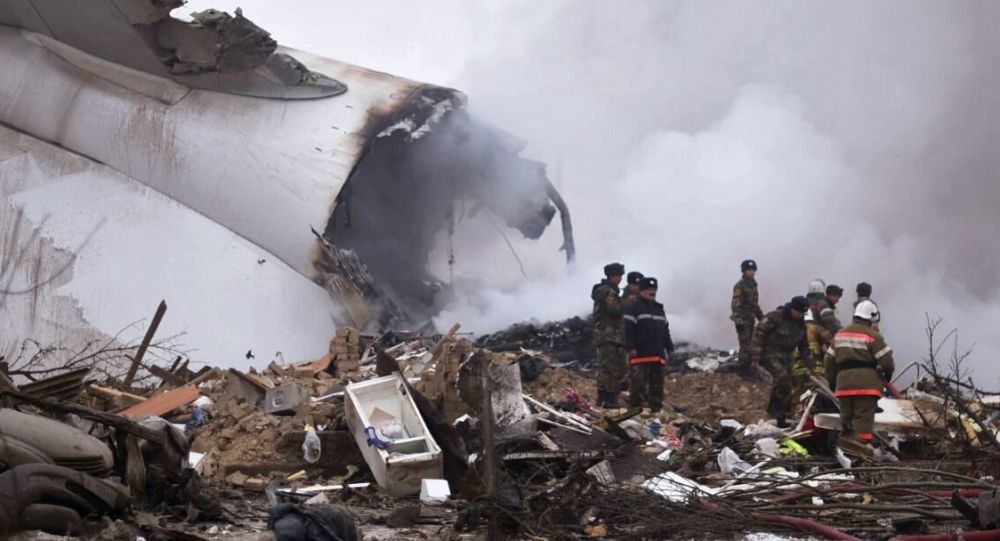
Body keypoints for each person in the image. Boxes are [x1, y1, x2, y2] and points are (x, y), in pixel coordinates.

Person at [824, 300, 894, 455]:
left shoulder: (840, 335)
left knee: (846, 419)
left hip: (844, 385)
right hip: (867, 386)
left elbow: (828, 361)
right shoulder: (873, 336)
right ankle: (860, 452)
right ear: (871, 318)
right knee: (863, 420)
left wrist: (833, 382)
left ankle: (844, 450)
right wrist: (887, 375)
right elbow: (886, 362)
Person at [751, 296, 814, 427]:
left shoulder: (801, 325)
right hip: (770, 353)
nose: (800, 315)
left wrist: (810, 364)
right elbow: (759, 333)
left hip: (787, 357)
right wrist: (756, 355)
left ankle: (781, 412)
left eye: (803, 313)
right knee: (782, 377)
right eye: (798, 312)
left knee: (787, 386)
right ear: (792, 309)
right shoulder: (775, 317)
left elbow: (804, 346)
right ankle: (773, 409)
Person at [625, 277, 674, 414]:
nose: (652, 292)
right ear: (641, 291)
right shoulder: (634, 307)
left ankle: (656, 411)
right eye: (648, 289)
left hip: (657, 355)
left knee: (657, 386)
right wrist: (631, 347)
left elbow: (665, 330)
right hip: (640, 354)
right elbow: (628, 330)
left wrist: (669, 347)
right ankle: (635, 411)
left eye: (654, 289)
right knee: (638, 385)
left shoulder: (659, 309)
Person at [592, 262, 627, 408]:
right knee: (608, 368)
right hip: (607, 336)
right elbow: (616, 310)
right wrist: (627, 301)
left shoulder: (609, 291)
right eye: (618, 275)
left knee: (614, 368)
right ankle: (605, 399)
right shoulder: (607, 291)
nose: (620, 278)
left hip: (612, 337)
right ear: (611, 276)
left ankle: (610, 398)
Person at [731, 260, 764, 367]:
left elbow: (755, 305)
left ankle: (748, 367)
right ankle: (742, 368)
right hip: (742, 319)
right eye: (748, 270)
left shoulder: (753, 285)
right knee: (745, 346)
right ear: (744, 271)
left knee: (752, 344)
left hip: (750, 318)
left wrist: (762, 319)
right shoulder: (740, 286)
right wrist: (738, 320)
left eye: (753, 270)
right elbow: (735, 304)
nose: (751, 272)